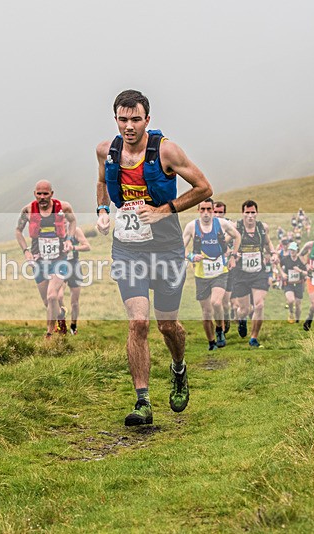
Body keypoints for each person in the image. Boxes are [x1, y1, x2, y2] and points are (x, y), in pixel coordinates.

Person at [95, 89, 212, 426]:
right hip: (128, 246)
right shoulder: (107, 150)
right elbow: (102, 180)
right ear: (115, 118)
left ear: (148, 119)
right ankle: (143, 402)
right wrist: (103, 210)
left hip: (166, 246)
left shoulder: (167, 151)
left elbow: (204, 187)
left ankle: (178, 368)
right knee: (138, 322)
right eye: (123, 119)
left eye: (135, 119)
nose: (129, 126)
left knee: (167, 325)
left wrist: (165, 210)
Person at [15, 180, 78, 338]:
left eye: (45, 194)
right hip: (38, 261)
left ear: (51, 194)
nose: (42, 197)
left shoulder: (63, 207)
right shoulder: (28, 210)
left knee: (52, 296)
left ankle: (49, 333)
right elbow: (18, 231)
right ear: (35, 194)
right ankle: (61, 316)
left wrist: (69, 239)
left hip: (59, 260)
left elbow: (73, 221)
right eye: (39, 194)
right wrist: (26, 251)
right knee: (47, 301)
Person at [183, 198, 241, 351]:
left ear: (213, 210)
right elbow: (181, 247)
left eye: (209, 209)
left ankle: (220, 330)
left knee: (216, 303)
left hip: (220, 272)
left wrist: (233, 255)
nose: (206, 213)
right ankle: (211, 342)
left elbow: (237, 236)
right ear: (198, 211)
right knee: (206, 312)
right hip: (201, 275)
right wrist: (190, 257)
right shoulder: (191, 227)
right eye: (203, 209)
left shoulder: (221, 224)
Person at [229, 200, 278, 348]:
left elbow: (267, 243)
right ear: (242, 213)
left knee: (259, 305)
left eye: (252, 212)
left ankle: (254, 338)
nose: (250, 216)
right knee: (244, 310)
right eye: (247, 212)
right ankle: (241, 319)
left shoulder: (262, 228)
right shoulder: (236, 228)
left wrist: (274, 253)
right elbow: (225, 241)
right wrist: (232, 254)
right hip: (241, 274)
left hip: (258, 273)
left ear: (256, 213)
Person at [61, 226, 91, 334]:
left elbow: (87, 246)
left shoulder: (76, 230)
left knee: (74, 301)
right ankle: (61, 321)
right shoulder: (54, 229)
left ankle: (73, 325)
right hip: (60, 266)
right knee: (58, 296)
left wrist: (73, 248)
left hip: (74, 266)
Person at [213, 201, 236, 333]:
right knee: (215, 301)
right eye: (215, 212)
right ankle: (219, 328)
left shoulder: (229, 224)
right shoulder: (206, 225)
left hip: (227, 267)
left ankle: (226, 317)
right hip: (211, 268)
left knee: (225, 301)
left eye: (220, 212)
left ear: (224, 213)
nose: (217, 214)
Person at [276, 241, 307, 324]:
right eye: (290, 250)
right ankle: (290, 312)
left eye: (293, 250)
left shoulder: (301, 260)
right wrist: (282, 273)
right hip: (288, 284)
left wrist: (299, 271)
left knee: (298, 304)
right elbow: (278, 264)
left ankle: (297, 320)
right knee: (290, 300)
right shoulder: (286, 259)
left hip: (299, 284)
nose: (292, 251)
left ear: (297, 250)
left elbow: (307, 273)